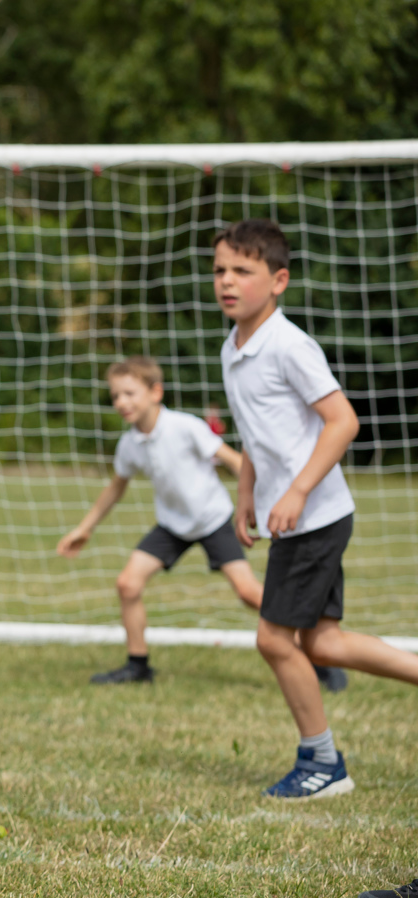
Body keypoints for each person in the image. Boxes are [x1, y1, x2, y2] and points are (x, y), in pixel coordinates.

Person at [216, 218, 418, 799]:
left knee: (274, 640)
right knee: (322, 643)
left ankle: (323, 763)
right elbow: (256, 434)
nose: (228, 282)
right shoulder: (234, 347)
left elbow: (343, 421)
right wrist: (248, 491)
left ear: (278, 280)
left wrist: (298, 489)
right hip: (297, 517)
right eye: (220, 271)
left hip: (315, 516)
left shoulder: (289, 344)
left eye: (243, 271)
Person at [57, 356, 344, 691]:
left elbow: (234, 460)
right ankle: (138, 666)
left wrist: (261, 497)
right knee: (128, 584)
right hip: (173, 526)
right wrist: (85, 527)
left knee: (249, 593)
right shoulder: (129, 445)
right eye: (116, 396)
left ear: (155, 392)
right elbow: (116, 488)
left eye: (129, 393)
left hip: (213, 519)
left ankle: (311, 656)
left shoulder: (185, 426)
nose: (121, 402)